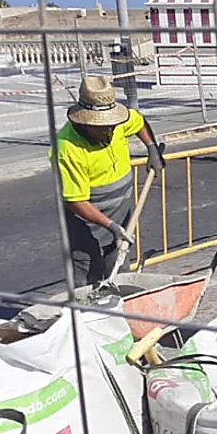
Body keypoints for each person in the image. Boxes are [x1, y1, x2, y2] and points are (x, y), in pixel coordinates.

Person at [53, 75, 165, 285]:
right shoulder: (67, 148)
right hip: (87, 223)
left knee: (119, 273)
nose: (110, 130)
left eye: (112, 125)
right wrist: (111, 227)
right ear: (84, 122)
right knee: (88, 279)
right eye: (102, 126)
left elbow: (138, 121)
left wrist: (152, 149)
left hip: (121, 214)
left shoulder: (115, 124)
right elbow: (74, 201)